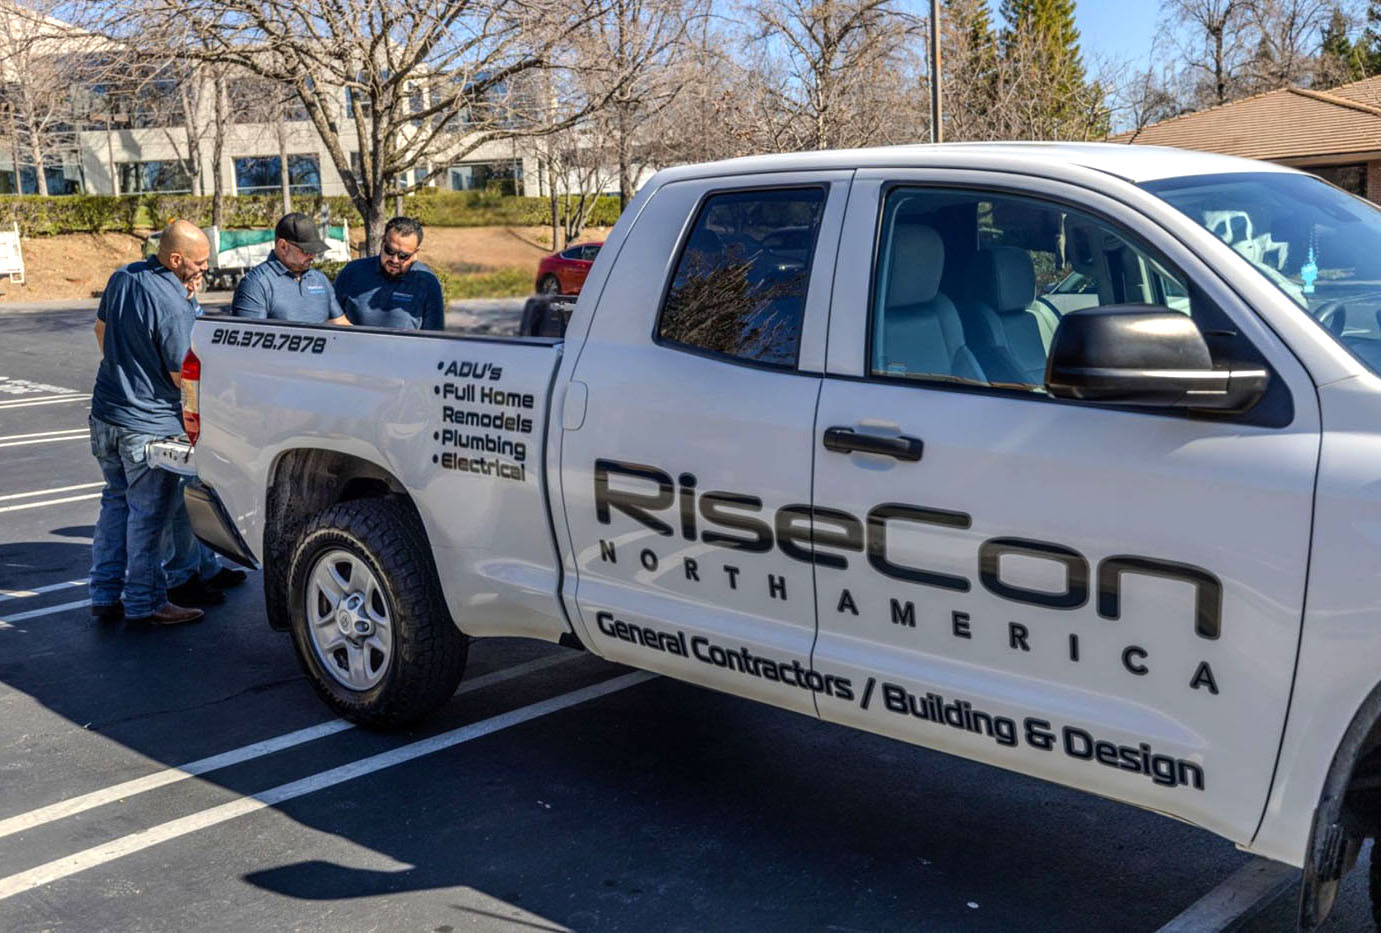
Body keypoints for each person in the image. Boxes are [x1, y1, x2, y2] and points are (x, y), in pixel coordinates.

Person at [89, 220, 210, 627]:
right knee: (147, 516)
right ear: (176, 259)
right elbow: (182, 376)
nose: (204, 270)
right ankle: (146, 603)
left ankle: (104, 594)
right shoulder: (175, 305)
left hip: (107, 412)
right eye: (199, 263)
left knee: (115, 502)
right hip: (150, 424)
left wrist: (127, 370)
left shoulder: (124, 276)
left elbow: (101, 329)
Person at [231, 213, 351, 324]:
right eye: (306, 251)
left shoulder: (320, 280)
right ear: (283, 246)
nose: (313, 256)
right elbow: (249, 337)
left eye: (315, 251)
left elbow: (341, 324)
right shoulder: (256, 284)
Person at [333, 216, 445, 330]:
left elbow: (434, 337)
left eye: (403, 256)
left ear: (415, 253)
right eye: (390, 250)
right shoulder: (353, 272)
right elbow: (330, 317)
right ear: (382, 242)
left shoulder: (427, 283)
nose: (395, 260)